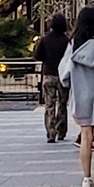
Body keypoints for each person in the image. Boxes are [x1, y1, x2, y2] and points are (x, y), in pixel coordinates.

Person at [59, 6, 94, 187]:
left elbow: (64, 74)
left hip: (80, 93)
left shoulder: (74, 44)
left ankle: (87, 178)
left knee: (86, 135)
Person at [34, 14, 70, 143]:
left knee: (49, 104)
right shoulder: (67, 40)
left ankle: (50, 132)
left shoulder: (45, 40)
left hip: (48, 74)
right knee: (62, 104)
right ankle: (61, 130)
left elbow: (37, 56)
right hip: (63, 76)